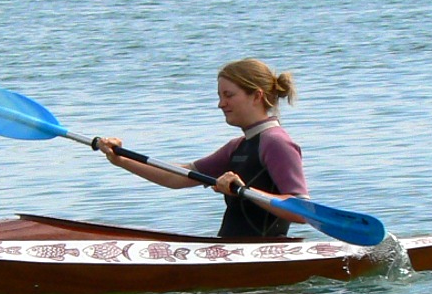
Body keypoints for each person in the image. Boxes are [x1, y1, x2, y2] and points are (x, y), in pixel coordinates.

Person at [98, 58, 309, 238]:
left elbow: (302, 211)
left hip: (262, 254)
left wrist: (244, 190)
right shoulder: (237, 146)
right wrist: (121, 160)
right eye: (220, 96)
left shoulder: (276, 142)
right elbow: (177, 176)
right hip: (229, 250)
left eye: (229, 95)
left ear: (256, 96)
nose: (221, 104)